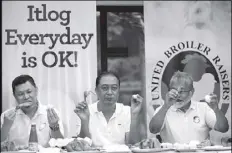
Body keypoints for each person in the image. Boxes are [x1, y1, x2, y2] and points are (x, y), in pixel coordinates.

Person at [149, 71, 229, 144]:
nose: (178, 95)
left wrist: (216, 110)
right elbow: (153, 130)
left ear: (192, 92)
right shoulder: (162, 109)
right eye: (174, 90)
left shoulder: (203, 108)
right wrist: (166, 106)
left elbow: (223, 128)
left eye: (182, 91)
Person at [74, 71, 145, 146]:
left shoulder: (127, 111)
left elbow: (134, 145)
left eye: (114, 88)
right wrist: (85, 121)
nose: (110, 92)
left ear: (118, 91)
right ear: (96, 91)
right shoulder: (86, 111)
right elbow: (83, 146)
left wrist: (134, 115)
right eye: (104, 88)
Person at [1, 75, 64, 147]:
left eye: (29, 92)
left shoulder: (51, 113)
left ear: (36, 91)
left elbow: (60, 145)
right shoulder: (6, 116)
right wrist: (5, 126)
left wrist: (54, 126)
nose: (26, 97)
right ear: (14, 96)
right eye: (20, 94)